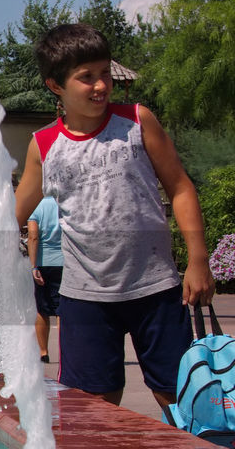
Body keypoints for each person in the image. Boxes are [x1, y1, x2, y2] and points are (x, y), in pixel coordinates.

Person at [14, 23, 215, 409]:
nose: (100, 85)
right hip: (84, 299)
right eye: (85, 77)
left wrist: (198, 259)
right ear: (55, 85)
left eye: (104, 72)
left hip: (154, 289)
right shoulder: (44, 145)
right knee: (94, 411)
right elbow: (14, 213)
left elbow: (180, 187)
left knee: (182, 400)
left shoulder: (138, 122)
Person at [27, 195, 62, 364]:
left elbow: (33, 236)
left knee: (42, 309)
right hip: (65, 262)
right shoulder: (64, 202)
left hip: (43, 262)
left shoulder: (36, 205)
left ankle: (43, 352)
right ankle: (65, 351)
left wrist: (33, 266)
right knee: (63, 310)